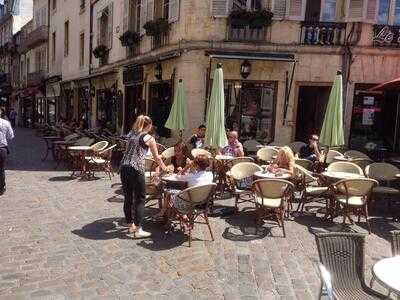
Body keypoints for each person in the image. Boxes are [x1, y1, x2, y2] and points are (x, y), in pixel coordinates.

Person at [120, 115, 171, 238]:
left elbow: (127, 151)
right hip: (136, 169)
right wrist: (165, 168)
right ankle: (138, 230)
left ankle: (130, 225)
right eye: (151, 125)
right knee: (140, 199)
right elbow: (157, 157)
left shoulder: (131, 135)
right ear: (148, 125)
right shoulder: (148, 138)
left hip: (124, 167)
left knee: (128, 198)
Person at [0, 110, 14, 195]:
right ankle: (1, 188)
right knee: (1, 169)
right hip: (2, 149)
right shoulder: (6, 123)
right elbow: (11, 136)